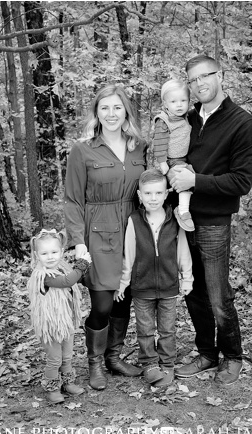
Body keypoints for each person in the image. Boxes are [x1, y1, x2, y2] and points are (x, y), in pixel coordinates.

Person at [169, 55, 252, 385]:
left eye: (206, 76)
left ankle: (232, 356)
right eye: (192, 80)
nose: (199, 84)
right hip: (182, 218)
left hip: (214, 222)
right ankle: (207, 353)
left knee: (219, 295)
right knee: (193, 292)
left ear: (221, 75)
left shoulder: (242, 123)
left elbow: (240, 182)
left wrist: (195, 181)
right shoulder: (187, 118)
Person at [63, 84, 147, 391]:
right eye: (105, 108)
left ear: (126, 111)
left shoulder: (140, 146)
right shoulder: (82, 150)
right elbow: (73, 200)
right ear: (96, 113)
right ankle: (94, 363)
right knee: (102, 301)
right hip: (96, 232)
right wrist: (78, 242)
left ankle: (114, 357)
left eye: (117, 107)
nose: (111, 114)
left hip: (133, 229)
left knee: (124, 297)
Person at [115, 170, 193, 388]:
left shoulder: (174, 220)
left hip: (168, 286)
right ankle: (149, 363)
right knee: (145, 329)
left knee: (168, 329)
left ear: (166, 194)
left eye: (158, 192)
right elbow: (128, 254)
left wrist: (187, 278)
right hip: (142, 287)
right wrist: (123, 282)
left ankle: (167, 364)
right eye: (148, 193)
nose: (153, 198)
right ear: (140, 195)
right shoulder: (134, 220)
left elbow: (183, 251)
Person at [26, 229, 90, 404]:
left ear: (61, 252)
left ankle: (68, 382)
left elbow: (71, 281)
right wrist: (83, 264)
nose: (50, 257)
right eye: (44, 253)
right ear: (37, 255)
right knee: (55, 358)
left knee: (67, 355)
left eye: (54, 252)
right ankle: (52, 387)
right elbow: (67, 282)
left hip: (65, 322)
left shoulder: (62, 268)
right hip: (50, 326)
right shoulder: (43, 275)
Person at [149, 79, 195, 231]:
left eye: (183, 100)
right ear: (165, 104)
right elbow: (160, 142)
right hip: (170, 160)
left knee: (190, 176)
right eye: (174, 101)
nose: (179, 105)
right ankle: (183, 211)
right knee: (184, 178)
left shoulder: (185, 117)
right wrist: (162, 162)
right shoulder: (164, 121)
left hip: (182, 158)